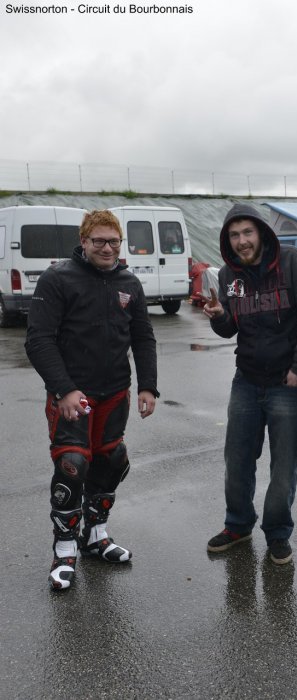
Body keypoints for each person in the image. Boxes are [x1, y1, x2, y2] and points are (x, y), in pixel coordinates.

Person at [25, 209, 159, 591]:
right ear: (83, 241)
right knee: (73, 465)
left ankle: (95, 536)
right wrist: (64, 389)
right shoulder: (58, 278)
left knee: (111, 461)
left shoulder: (129, 283)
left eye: (113, 241)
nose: (107, 248)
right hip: (75, 395)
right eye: (98, 240)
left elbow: (143, 337)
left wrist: (148, 386)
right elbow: (38, 339)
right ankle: (64, 549)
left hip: (114, 393)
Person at [203, 203, 297, 564]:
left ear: (261, 233)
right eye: (234, 235)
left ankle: (277, 533)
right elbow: (229, 328)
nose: (242, 241)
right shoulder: (229, 275)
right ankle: (238, 525)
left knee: (284, 465)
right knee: (237, 460)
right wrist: (219, 315)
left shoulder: (293, 262)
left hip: (288, 383)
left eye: (248, 232)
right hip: (246, 380)